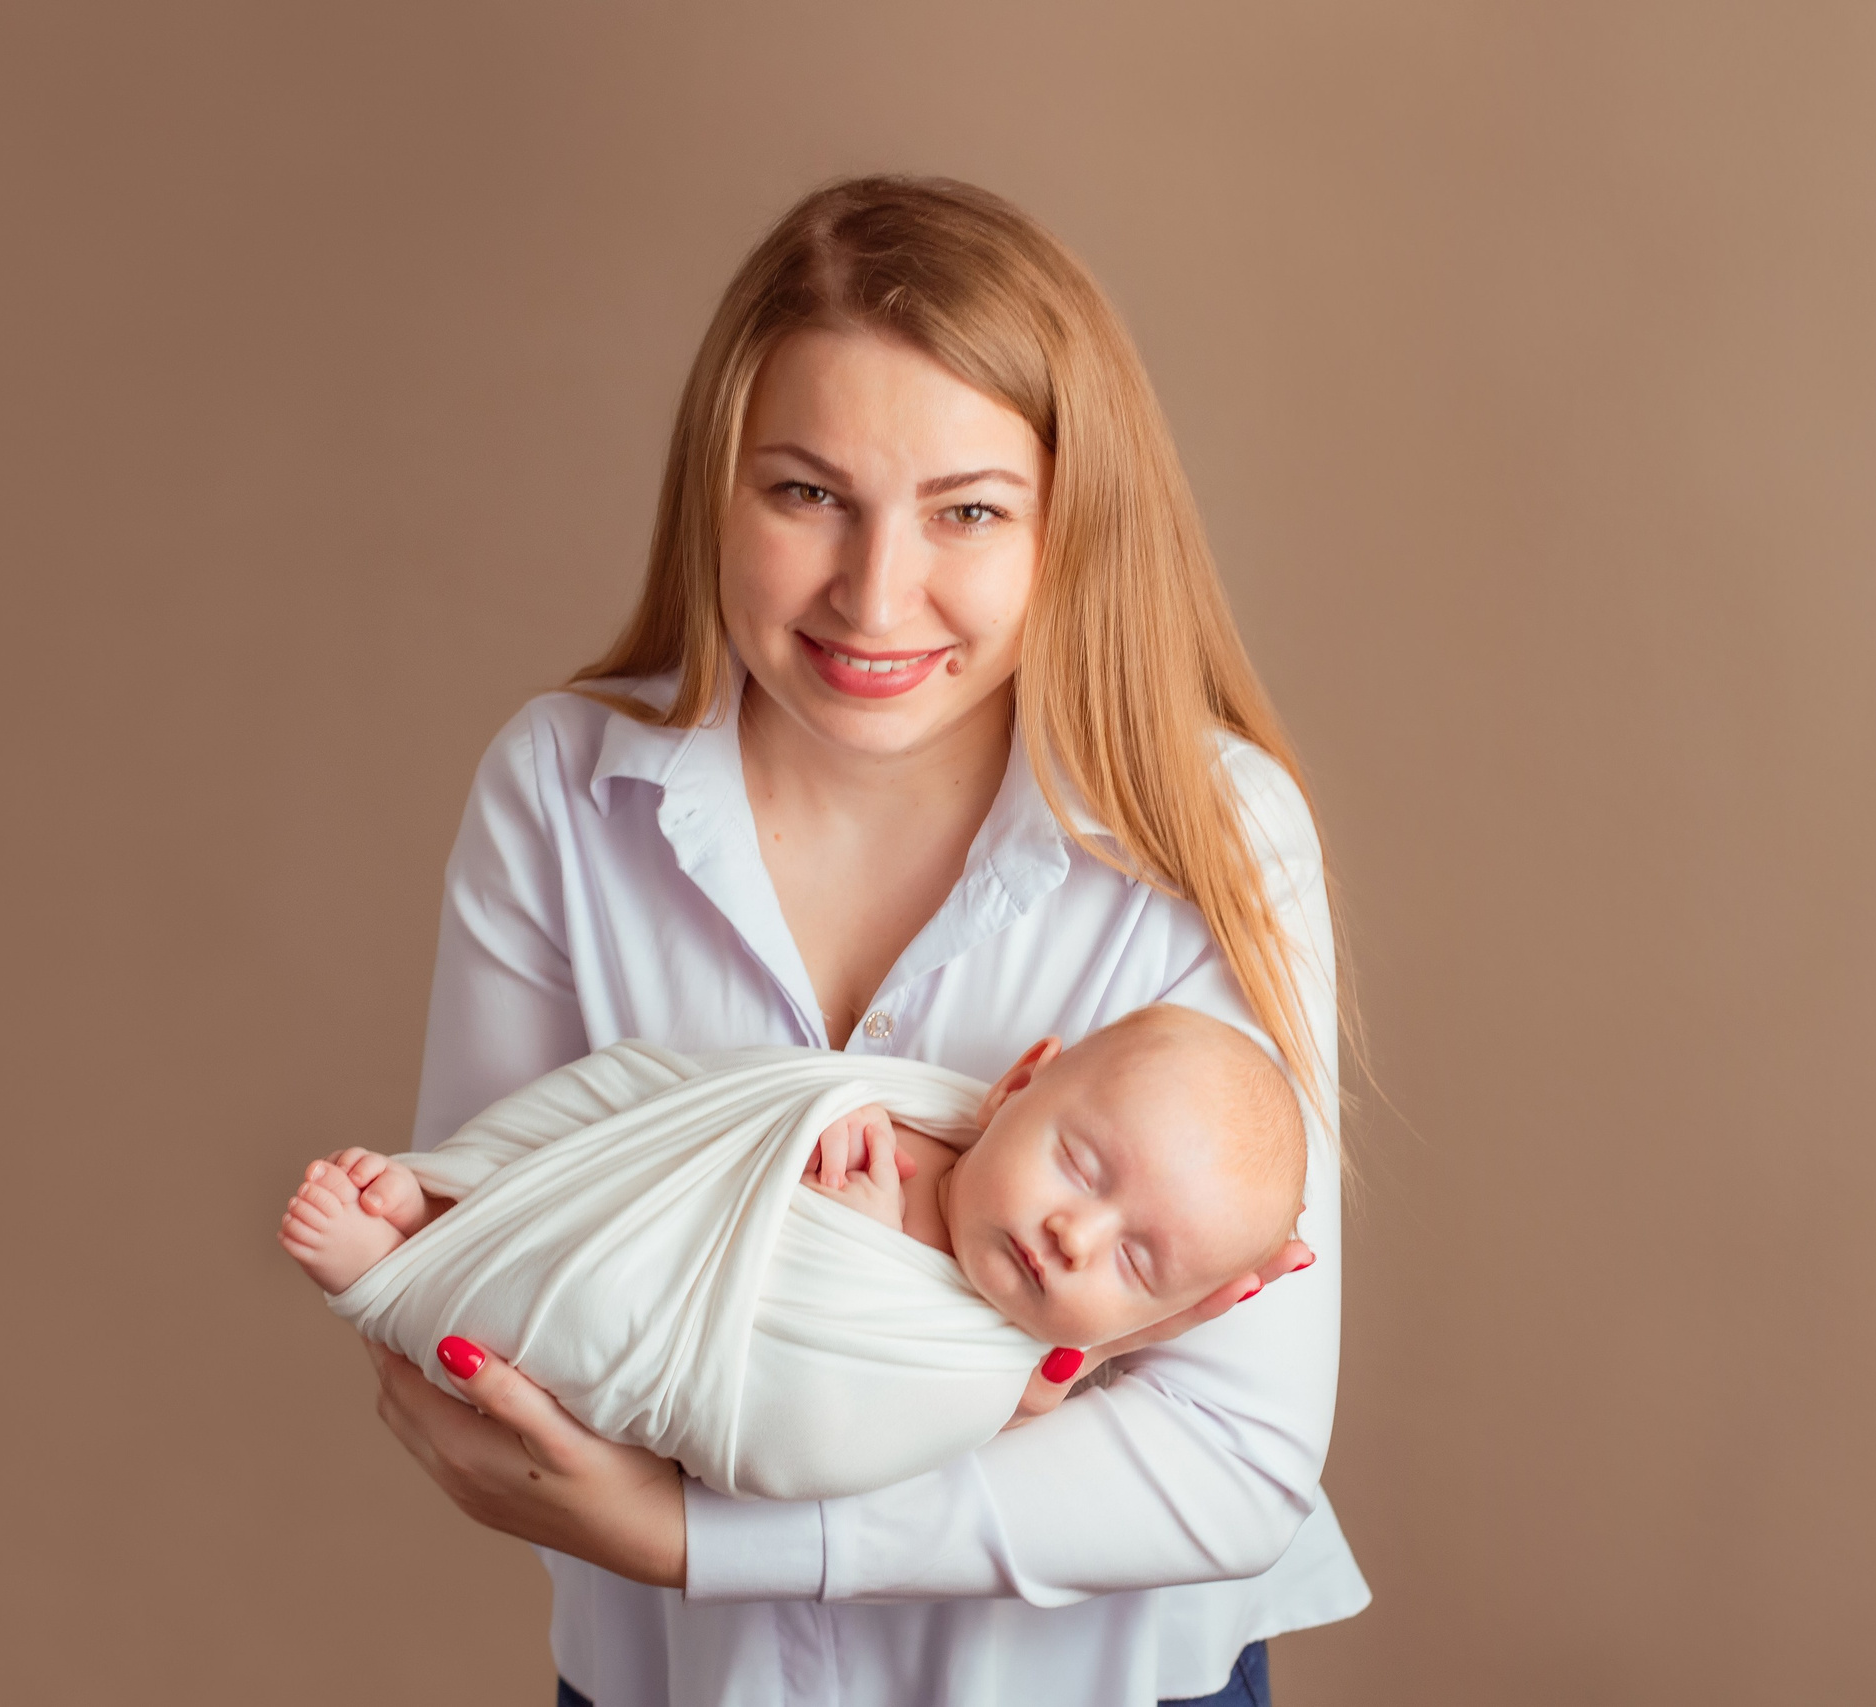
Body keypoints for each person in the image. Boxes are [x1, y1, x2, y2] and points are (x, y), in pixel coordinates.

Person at [365, 174, 1367, 1707]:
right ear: (718, 486)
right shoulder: (561, 793)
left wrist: (694, 1524)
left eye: (967, 510)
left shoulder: (1211, 827)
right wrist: (1015, 1386)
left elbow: (1230, 1460)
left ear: (1068, 522)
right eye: (806, 493)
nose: (874, 592)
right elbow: (476, 1285)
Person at [280, 1007, 1313, 1501]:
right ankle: (460, 1188)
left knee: (595, 1315)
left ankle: (391, 1273)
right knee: (628, 1091)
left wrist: (847, 1244)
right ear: (1015, 1086)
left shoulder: (968, 1372)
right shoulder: (912, 1107)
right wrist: (805, 1113)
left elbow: (809, 1439)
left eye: (1135, 1267)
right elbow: (697, 1113)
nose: (1074, 1235)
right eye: (1079, 1167)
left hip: (680, 1342)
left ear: (1148, 1324)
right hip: (641, 1174)